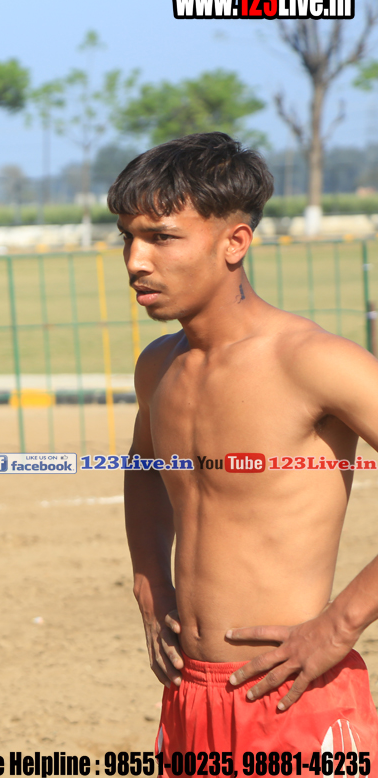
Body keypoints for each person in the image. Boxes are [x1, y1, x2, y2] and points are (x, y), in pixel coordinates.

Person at [113, 132, 378, 759]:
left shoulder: (314, 361)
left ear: (235, 242)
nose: (135, 261)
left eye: (161, 237)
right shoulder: (158, 366)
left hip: (293, 697)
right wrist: (149, 578)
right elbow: (145, 469)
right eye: (127, 237)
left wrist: (341, 623)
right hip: (190, 696)